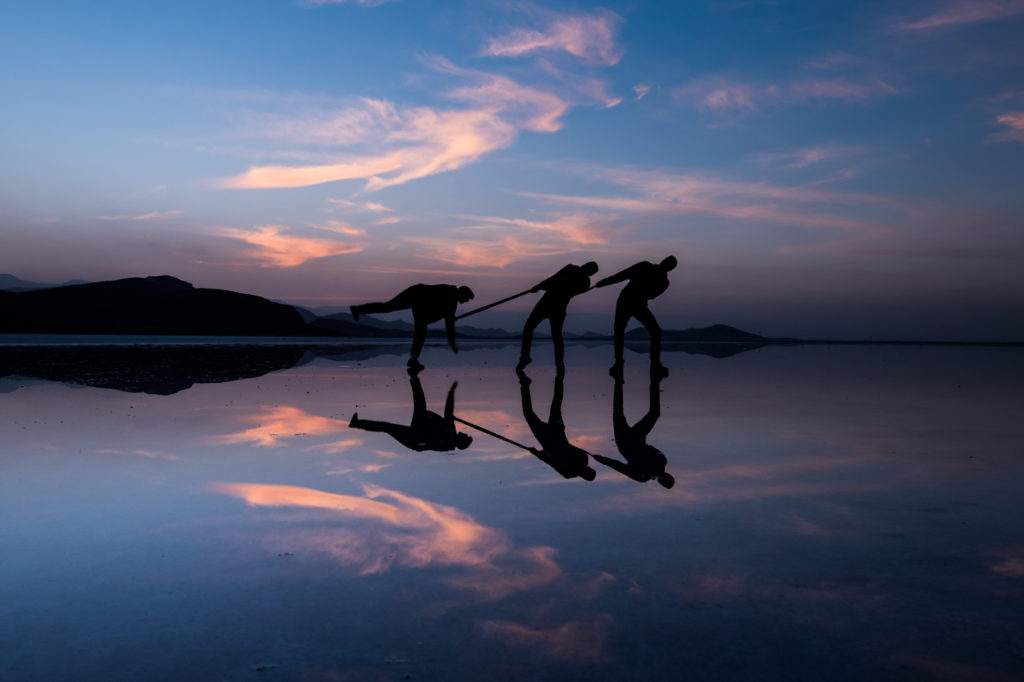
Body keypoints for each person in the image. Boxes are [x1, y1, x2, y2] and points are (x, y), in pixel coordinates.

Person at [351, 283, 474, 371]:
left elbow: (446, 319)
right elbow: (448, 324)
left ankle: (413, 359)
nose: (467, 302)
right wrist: (452, 342)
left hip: (419, 299)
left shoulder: (452, 297)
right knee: (391, 309)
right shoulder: (451, 296)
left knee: (417, 325)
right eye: (467, 299)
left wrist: (449, 319)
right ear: (463, 294)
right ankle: (413, 359)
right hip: (416, 295)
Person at [594, 255, 677, 377]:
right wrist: (604, 282)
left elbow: (650, 294)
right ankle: (619, 363)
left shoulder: (663, 281)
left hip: (636, 303)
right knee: (621, 330)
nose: (666, 265)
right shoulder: (648, 268)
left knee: (653, 331)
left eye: (669, 264)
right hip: (628, 301)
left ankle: (653, 363)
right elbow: (623, 275)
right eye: (667, 262)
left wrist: (605, 282)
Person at [592, 374, 674, 488]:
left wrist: (602, 460)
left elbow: (619, 466)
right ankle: (648, 380)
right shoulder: (650, 470)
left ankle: (623, 380)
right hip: (630, 441)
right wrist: (602, 460)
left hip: (630, 440)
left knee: (650, 413)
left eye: (666, 478)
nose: (664, 476)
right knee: (620, 412)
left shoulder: (654, 466)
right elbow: (619, 466)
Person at [348, 377, 472, 453]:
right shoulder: (451, 434)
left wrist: (420, 446)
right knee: (419, 405)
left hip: (415, 438)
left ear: (461, 441)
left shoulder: (448, 443)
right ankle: (414, 379)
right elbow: (448, 411)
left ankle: (414, 378)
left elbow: (429, 446)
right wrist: (451, 393)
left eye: (466, 436)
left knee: (387, 426)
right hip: (420, 427)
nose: (465, 433)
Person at [517, 368, 596, 481]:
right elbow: (552, 459)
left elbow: (551, 461)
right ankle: (555, 380)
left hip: (549, 436)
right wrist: (540, 454)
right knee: (550, 407)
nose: (585, 472)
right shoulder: (578, 464)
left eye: (586, 474)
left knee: (550, 407)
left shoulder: (578, 463)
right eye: (587, 472)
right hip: (552, 435)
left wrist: (539, 454)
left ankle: (528, 384)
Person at [517, 262, 598, 371]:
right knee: (530, 327)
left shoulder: (585, 282)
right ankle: (526, 356)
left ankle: (559, 362)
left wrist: (548, 285)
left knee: (555, 335)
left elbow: (569, 290)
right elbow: (554, 278)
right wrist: (539, 286)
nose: (588, 273)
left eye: (590, 272)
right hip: (547, 303)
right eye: (589, 270)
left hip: (557, 307)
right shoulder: (571, 269)